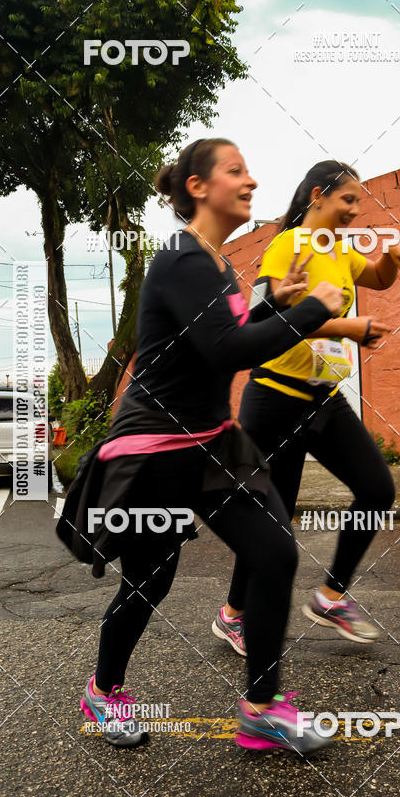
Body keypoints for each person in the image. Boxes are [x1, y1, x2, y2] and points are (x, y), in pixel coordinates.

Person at [62, 139, 346, 753]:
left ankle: (262, 708)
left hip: (214, 442)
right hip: (156, 446)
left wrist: (277, 302)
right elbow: (225, 350)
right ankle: (102, 691)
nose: (251, 180)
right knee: (150, 579)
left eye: (248, 169)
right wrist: (313, 311)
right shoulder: (182, 258)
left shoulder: (216, 264)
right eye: (236, 170)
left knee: (273, 552)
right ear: (198, 187)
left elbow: (228, 334)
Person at [212, 160, 400, 656]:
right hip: (274, 398)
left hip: (323, 398)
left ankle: (331, 597)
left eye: (359, 202)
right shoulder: (285, 246)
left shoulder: (343, 251)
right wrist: (347, 329)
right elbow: (266, 316)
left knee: (377, 489)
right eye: (347, 200)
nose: (354, 210)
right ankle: (233, 615)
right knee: (274, 517)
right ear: (317, 197)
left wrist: (392, 255)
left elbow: (377, 278)